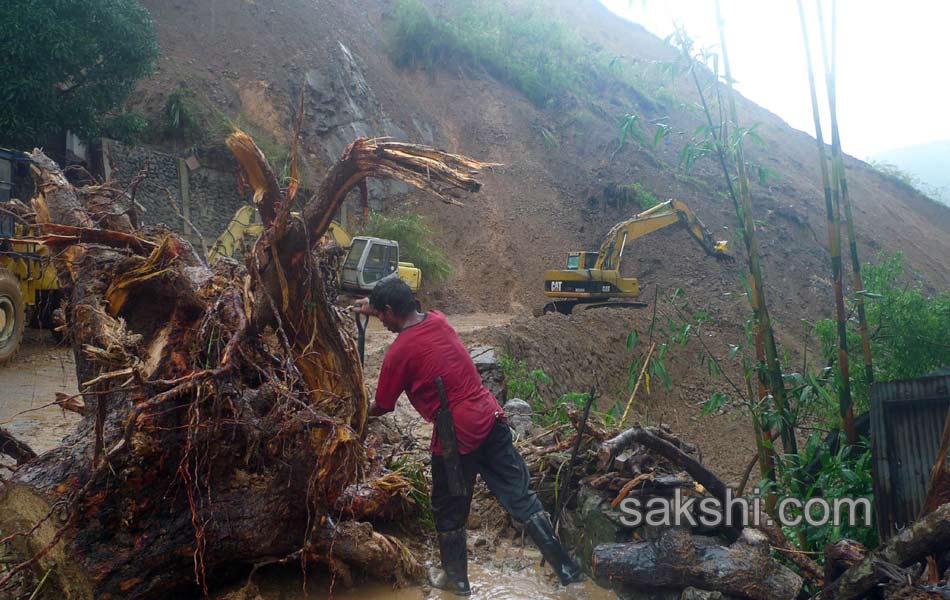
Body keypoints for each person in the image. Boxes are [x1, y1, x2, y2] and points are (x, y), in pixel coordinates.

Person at [351, 278, 581, 596]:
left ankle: (457, 583)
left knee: (449, 509)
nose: (382, 323)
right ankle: (567, 570)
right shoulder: (438, 319)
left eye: (381, 316)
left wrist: (355, 409)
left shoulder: (399, 352)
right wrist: (371, 306)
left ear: (390, 311)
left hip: (454, 435)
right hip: (490, 416)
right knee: (521, 497)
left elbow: (383, 405)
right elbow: (398, 311)